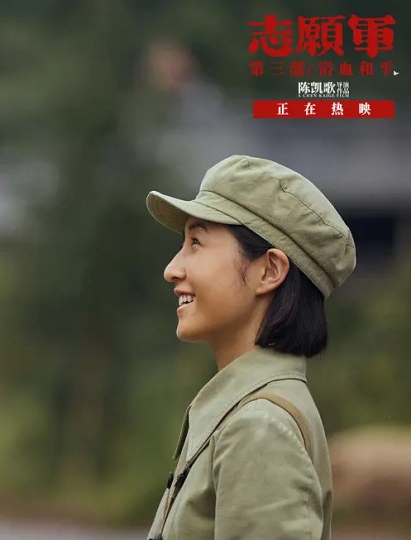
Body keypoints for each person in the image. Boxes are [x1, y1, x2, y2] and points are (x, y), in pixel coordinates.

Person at [144, 155, 356, 539]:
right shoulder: (248, 415)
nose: (172, 269)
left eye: (196, 242)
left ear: (269, 271)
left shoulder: (259, 428)